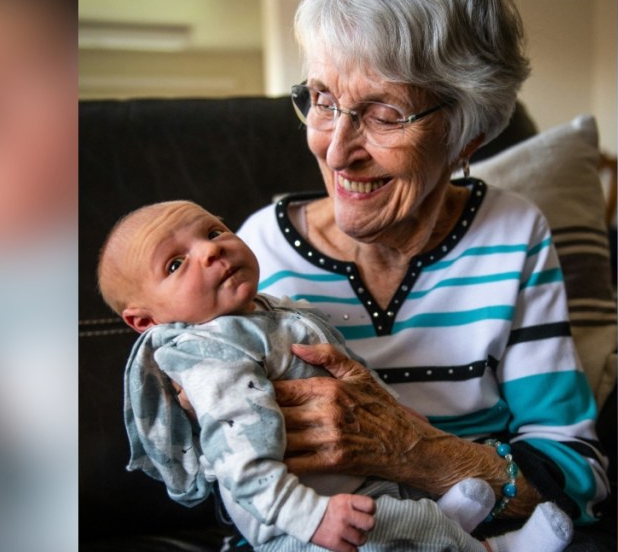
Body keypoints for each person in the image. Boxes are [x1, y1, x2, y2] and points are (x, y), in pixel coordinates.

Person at [225, 0, 610, 545]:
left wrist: (414, 452)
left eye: (384, 114)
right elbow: (231, 473)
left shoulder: (512, 233)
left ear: (466, 135)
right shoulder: (254, 253)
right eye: (323, 100)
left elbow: (576, 479)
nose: (336, 151)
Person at [98, 200, 574, 552]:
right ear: (146, 321)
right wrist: (310, 518)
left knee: (388, 520)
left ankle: (446, 526)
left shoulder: (269, 311)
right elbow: (239, 458)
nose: (210, 250)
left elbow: (346, 370)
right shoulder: (210, 356)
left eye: (214, 230)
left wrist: (400, 419)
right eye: (176, 263)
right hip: (299, 525)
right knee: (375, 532)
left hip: (355, 487)